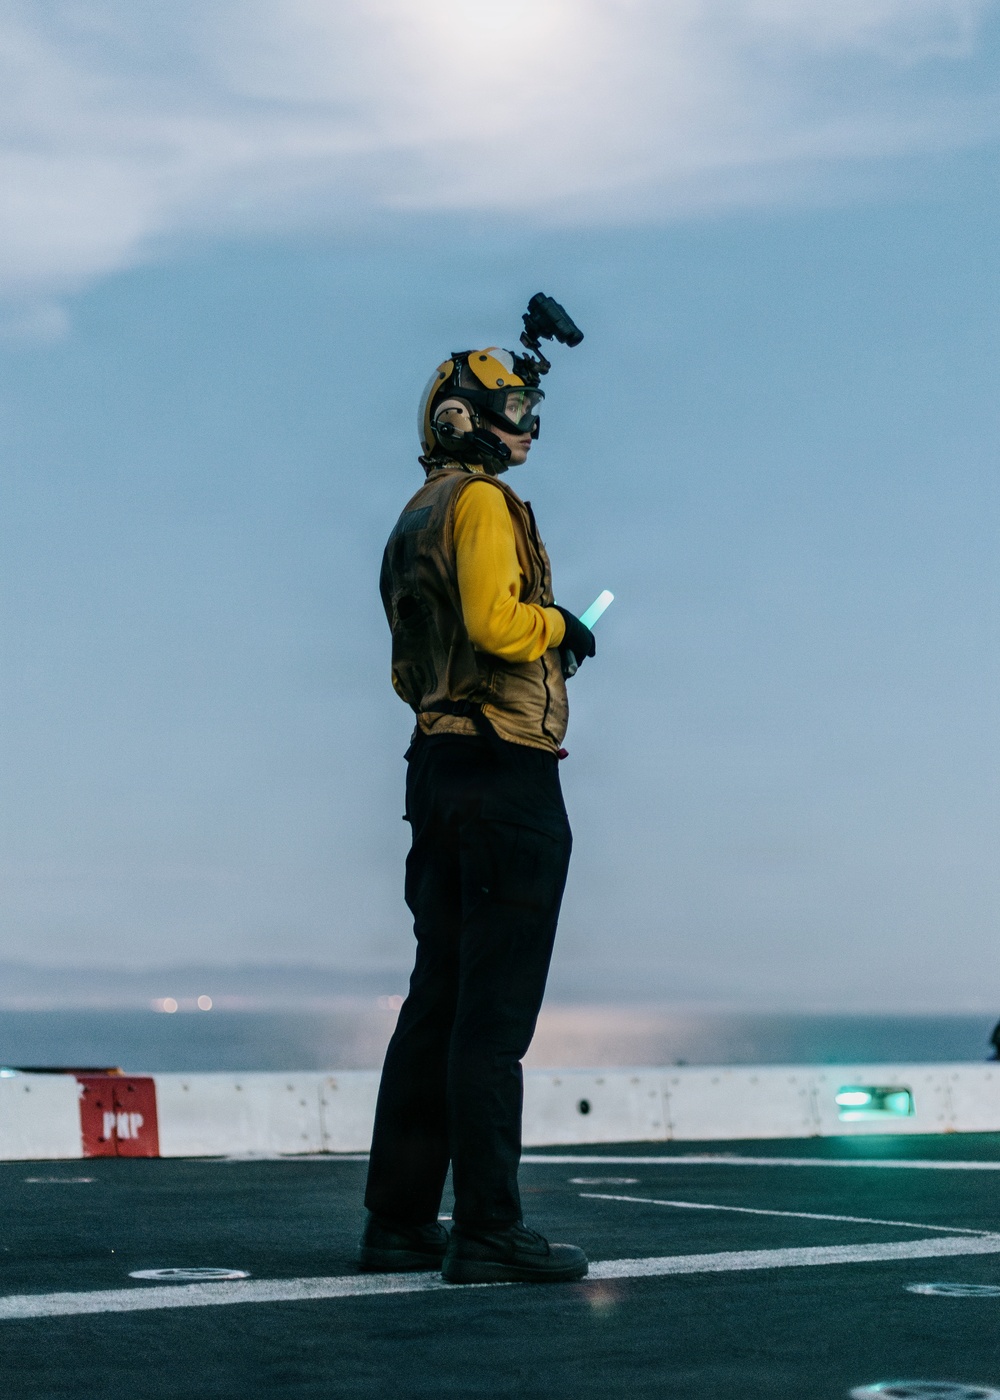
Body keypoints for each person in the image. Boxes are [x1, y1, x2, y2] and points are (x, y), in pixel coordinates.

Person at [359, 343, 596, 1285]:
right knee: (493, 1018)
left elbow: (422, 654)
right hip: (506, 775)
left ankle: (398, 1222)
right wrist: (563, 626)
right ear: (462, 417)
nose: (527, 426)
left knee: (437, 1003)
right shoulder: (484, 504)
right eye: (514, 409)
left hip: (436, 767)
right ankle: (490, 1230)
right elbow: (500, 625)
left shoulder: (415, 514)